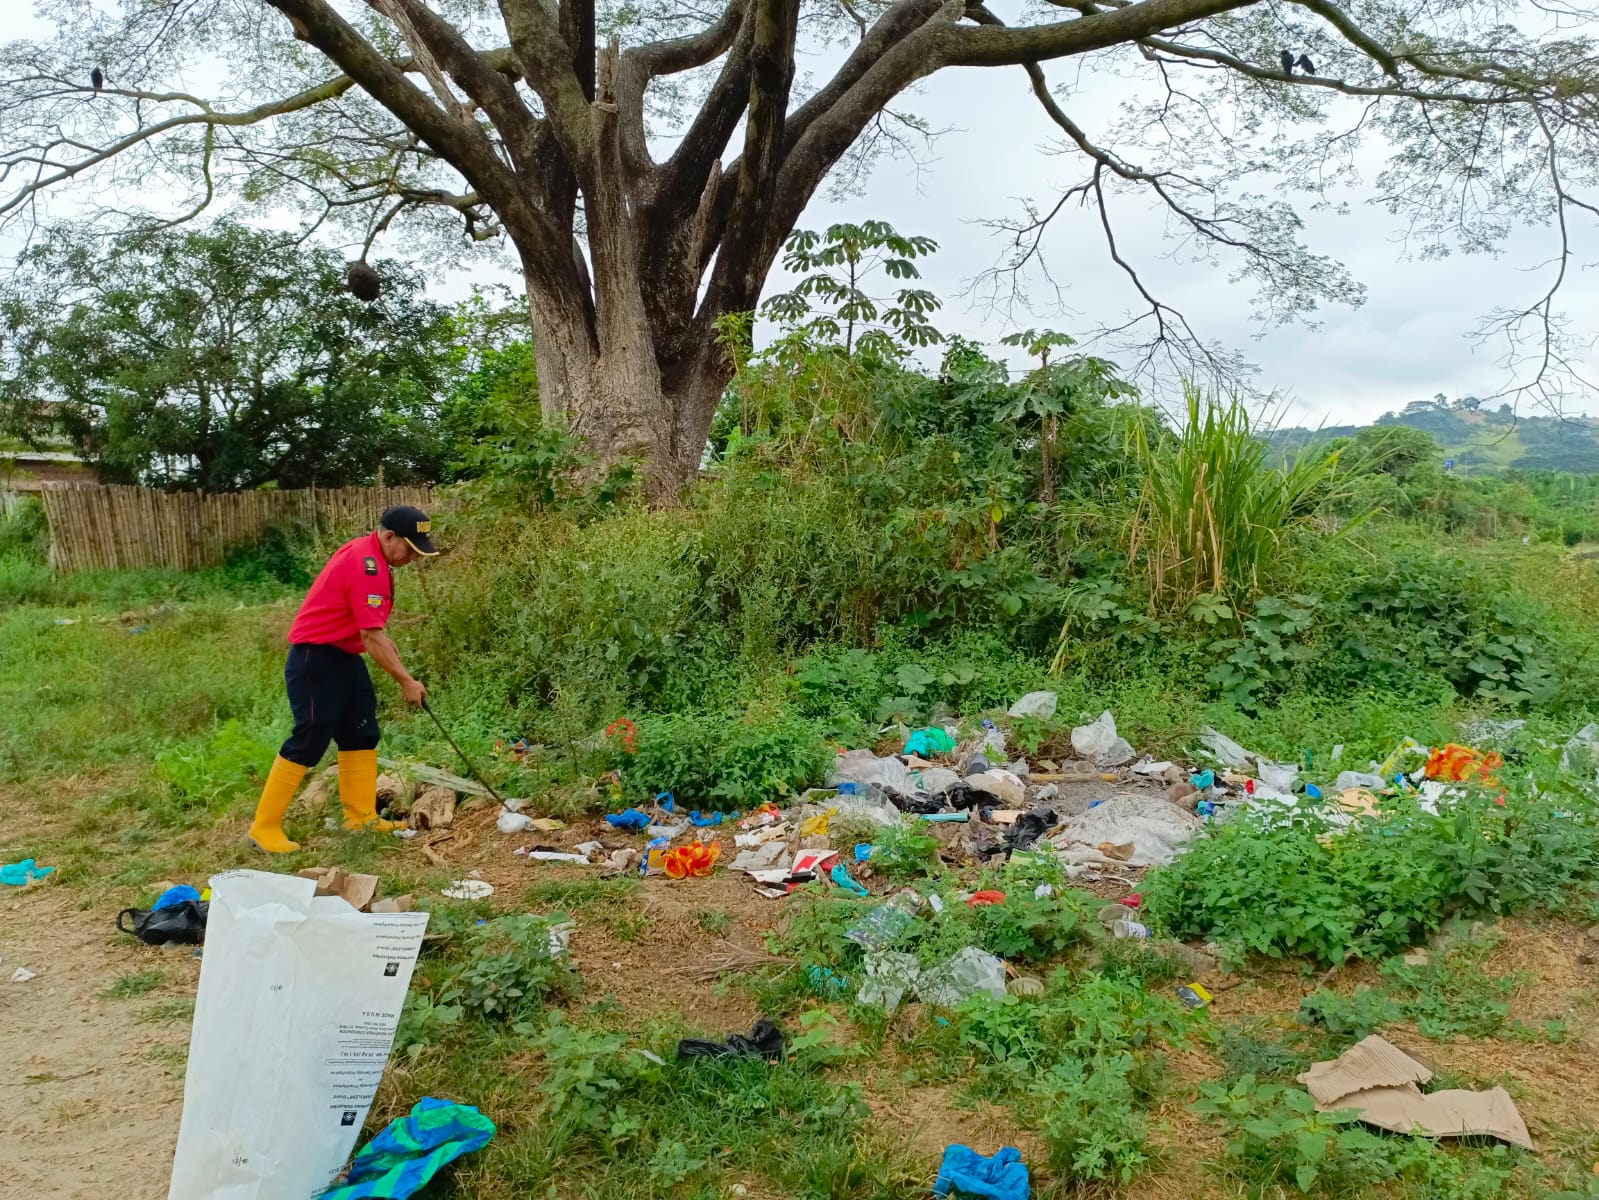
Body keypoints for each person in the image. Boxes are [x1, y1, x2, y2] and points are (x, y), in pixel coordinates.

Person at [247, 506, 437, 853]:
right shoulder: (367, 565)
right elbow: (371, 636)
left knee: (361, 731)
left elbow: (371, 628)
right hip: (315, 658)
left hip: (344, 656)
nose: (413, 557)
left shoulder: (373, 555)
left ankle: (360, 816)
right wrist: (406, 681)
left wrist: (385, 646)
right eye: (410, 549)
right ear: (389, 536)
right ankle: (264, 827)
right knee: (310, 736)